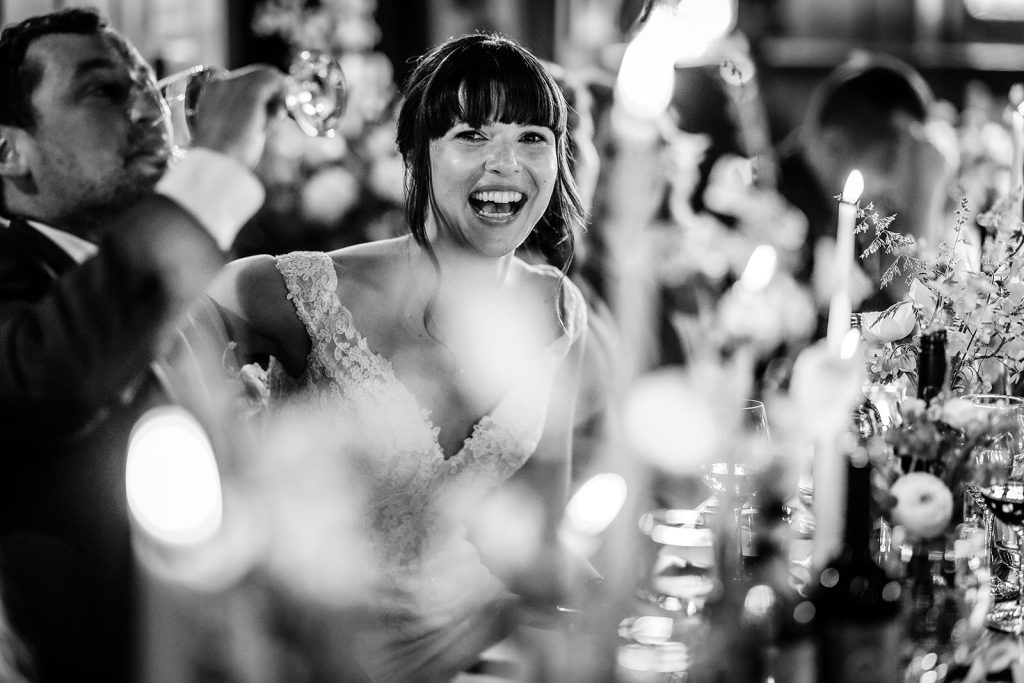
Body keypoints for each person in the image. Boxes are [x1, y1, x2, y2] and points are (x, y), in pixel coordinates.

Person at [206, 33, 588, 680]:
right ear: (415, 156)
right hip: (311, 654)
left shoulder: (555, 309)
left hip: (477, 654)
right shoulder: (297, 290)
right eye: (473, 135)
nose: (507, 163)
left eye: (532, 137)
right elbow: (144, 340)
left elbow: (542, 540)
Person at [0, 8, 286, 682]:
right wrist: (213, 168)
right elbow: (48, 378)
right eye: (104, 90)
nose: (149, 108)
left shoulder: (172, 292)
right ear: (9, 152)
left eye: (148, 85)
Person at [775, 51, 957, 315]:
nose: (898, 188)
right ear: (833, 148)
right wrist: (922, 201)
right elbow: (888, 328)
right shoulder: (776, 216)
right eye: (888, 163)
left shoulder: (846, 217)